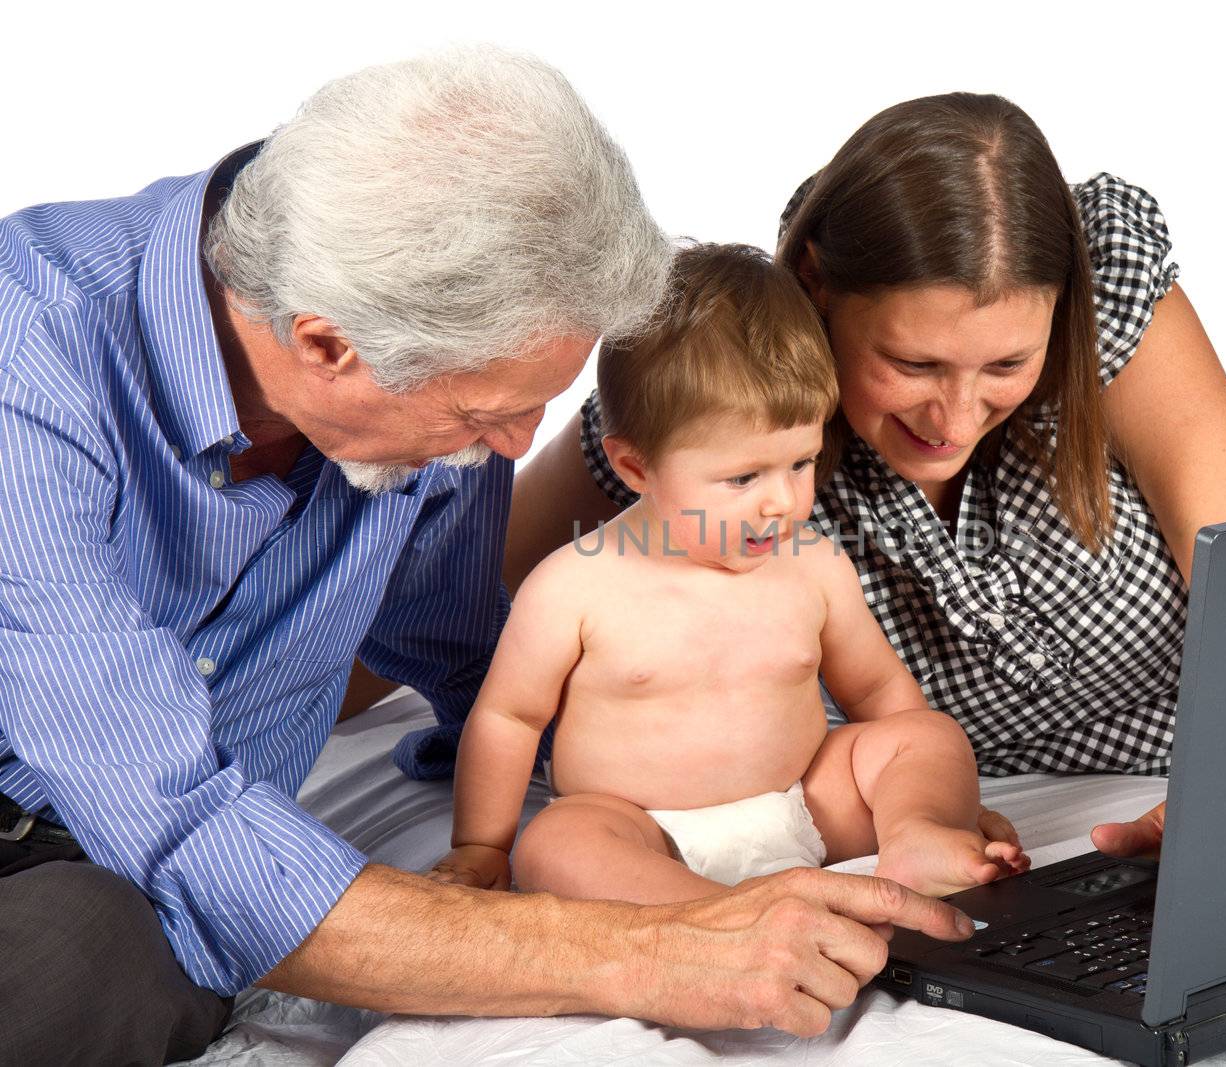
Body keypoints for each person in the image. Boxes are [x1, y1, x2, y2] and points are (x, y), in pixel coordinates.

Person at [0, 51, 977, 1067]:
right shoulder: (27, 358)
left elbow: (471, 659)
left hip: (111, 878)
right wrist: (641, 944)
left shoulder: (423, 374)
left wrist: (628, 781)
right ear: (326, 342)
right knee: (84, 955)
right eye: (487, 413)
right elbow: (176, 826)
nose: (514, 452)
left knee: (116, 945)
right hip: (93, 848)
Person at [501, 92, 1226, 858]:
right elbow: (438, 581)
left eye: (1004, 366)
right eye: (912, 364)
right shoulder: (711, 421)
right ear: (818, 280)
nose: (953, 417)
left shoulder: (1104, 303)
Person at [427, 244, 1028, 904]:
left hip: (804, 806)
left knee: (929, 736)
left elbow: (881, 691)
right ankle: (710, 915)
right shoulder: (573, 587)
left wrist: (932, 800)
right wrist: (481, 845)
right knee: (557, 842)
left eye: (799, 463)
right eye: (743, 477)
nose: (781, 500)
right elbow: (508, 718)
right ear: (635, 468)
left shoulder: (814, 564)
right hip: (644, 829)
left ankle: (917, 838)